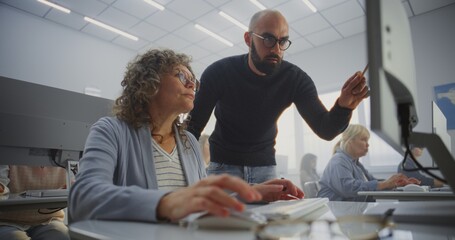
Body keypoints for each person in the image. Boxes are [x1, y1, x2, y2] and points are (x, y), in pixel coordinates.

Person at [69, 49, 304, 224]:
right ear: (149, 84)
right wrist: (166, 203)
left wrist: (254, 191)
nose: (193, 83)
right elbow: (84, 197)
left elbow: (200, 196)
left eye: (194, 79)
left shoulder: (189, 142)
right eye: (181, 76)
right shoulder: (111, 131)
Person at [188, 9, 369, 183]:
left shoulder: (295, 79)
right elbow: (192, 128)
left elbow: (325, 129)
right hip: (222, 167)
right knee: (222, 216)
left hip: (264, 169)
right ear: (248, 39)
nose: (276, 49)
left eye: (282, 41)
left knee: (270, 215)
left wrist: (344, 107)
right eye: (268, 39)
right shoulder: (219, 72)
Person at [317, 124, 420, 201]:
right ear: (350, 141)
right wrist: (384, 184)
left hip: (351, 212)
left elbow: (373, 182)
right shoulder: (338, 161)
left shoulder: (355, 163)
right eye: (363, 140)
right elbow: (348, 188)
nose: (368, 145)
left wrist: (395, 183)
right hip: (336, 213)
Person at [0, 165, 70, 240]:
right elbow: (2, 183)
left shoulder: (64, 158)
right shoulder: (7, 155)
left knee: (61, 235)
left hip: (48, 219)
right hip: (6, 221)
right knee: (15, 237)